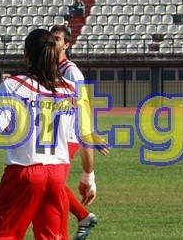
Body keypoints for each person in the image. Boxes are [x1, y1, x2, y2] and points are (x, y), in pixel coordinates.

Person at [0, 28, 98, 240]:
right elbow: (83, 137)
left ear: (25, 53)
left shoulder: (13, 85)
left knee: (3, 236)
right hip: (57, 176)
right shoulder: (69, 90)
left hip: (23, 173)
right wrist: (88, 176)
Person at [51, 25, 110, 240]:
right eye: (51, 38)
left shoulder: (71, 71)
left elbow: (83, 107)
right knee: (52, 186)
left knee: (53, 186)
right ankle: (83, 217)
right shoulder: (50, 68)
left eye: (57, 39)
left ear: (66, 45)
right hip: (53, 136)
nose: (53, 42)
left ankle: (72, 226)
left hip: (67, 137)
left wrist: (89, 134)